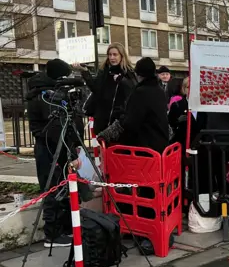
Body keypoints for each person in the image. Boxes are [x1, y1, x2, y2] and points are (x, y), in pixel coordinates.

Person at [26, 58, 85, 247]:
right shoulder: (43, 96)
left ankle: (67, 227)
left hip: (57, 147)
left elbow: (69, 123)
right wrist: (72, 156)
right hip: (48, 149)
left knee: (63, 189)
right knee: (52, 189)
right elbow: (55, 130)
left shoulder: (54, 94)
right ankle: (52, 235)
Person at [97, 57, 169, 154]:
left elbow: (130, 122)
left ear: (139, 74)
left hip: (144, 147)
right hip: (161, 144)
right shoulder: (160, 91)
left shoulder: (140, 92)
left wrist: (108, 135)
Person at [73, 43, 136, 136]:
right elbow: (96, 89)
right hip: (103, 119)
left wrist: (122, 81)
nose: (112, 57)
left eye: (115, 54)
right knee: (104, 148)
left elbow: (132, 92)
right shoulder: (104, 71)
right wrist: (85, 71)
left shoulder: (128, 73)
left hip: (119, 121)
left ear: (122, 56)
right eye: (110, 55)